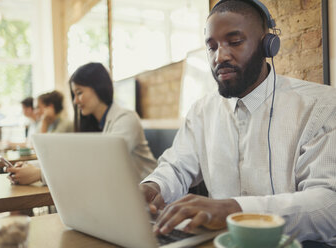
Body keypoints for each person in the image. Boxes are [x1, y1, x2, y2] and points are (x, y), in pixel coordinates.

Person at [140, 0, 336, 247]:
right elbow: (176, 167)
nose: (219, 56)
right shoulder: (202, 111)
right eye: (211, 47)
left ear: (268, 45)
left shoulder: (321, 105)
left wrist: (234, 209)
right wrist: (153, 186)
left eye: (234, 42)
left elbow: (329, 206)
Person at [7, 62, 157, 184]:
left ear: (98, 87)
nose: (75, 101)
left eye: (79, 93)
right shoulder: (96, 124)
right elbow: (74, 160)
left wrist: (39, 174)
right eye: (74, 94)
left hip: (150, 202)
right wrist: (31, 167)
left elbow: (100, 165)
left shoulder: (126, 119)